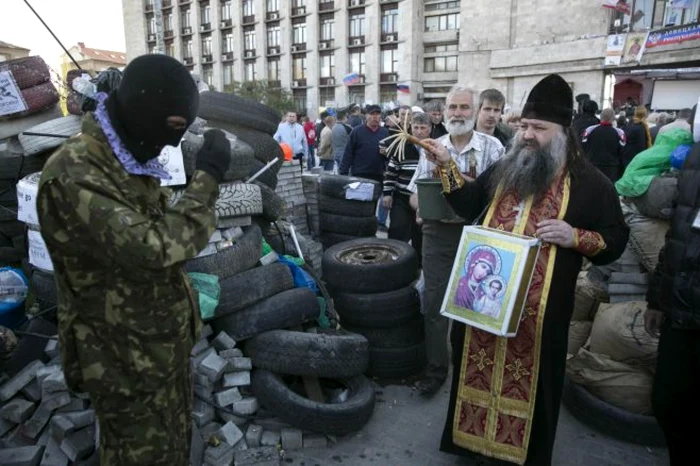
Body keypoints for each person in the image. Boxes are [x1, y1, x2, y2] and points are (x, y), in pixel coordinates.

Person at [36, 54, 230, 465]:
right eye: (173, 128)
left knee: (170, 450)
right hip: (122, 360)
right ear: (144, 114)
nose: (173, 142)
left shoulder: (121, 159)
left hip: (155, 350)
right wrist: (207, 179)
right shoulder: (75, 172)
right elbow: (155, 249)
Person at [425, 74, 628, 465]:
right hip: (483, 312)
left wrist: (574, 237)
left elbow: (615, 241)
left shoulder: (590, 184)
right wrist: (448, 166)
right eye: (525, 126)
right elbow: (470, 205)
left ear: (563, 132)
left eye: (540, 128)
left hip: (538, 323)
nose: (528, 135)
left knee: (533, 391)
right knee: (473, 374)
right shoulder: (507, 166)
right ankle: (471, 446)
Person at [407, 84, 505, 397]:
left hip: (477, 235)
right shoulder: (430, 145)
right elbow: (413, 193)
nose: (458, 113)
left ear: (475, 112)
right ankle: (437, 370)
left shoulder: (493, 149)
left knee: (474, 306)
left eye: (464, 107)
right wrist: (419, 207)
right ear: (445, 112)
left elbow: (499, 198)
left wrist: (456, 175)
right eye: (453, 107)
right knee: (434, 303)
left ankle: (471, 373)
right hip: (437, 233)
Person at [644, 109, 699, 465]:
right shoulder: (694, 160)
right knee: (668, 402)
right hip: (681, 309)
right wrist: (656, 298)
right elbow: (677, 233)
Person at [382, 112, 429, 262]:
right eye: (416, 127)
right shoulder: (401, 146)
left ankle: (417, 267)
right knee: (397, 228)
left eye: (423, 127)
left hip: (424, 199)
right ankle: (393, 262)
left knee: (421, 234)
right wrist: (387, 193)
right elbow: (391, 171)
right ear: (410, 127)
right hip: (402, 197)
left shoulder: (435, 148)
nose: (419, 131)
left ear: (430, 128)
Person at [339, 104, 389, 183]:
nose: (375, 117)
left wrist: (387, 153)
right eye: (372, 114)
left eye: (377, 114)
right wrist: (343, 173)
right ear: (366, 116)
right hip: (360, 174)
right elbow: (348, 153)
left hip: (378, 174)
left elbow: (390, 155)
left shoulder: (385, 132)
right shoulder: (357, 131)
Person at [581, 107, 626, 182]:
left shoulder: (589, 130)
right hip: (611, 168)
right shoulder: (620, 133)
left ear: (601, 117)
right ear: (613, 118)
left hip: (592, 166)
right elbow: (622, 151)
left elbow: (583, 147)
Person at [454, 245, 500, 310]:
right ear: (474, 263)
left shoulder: (483, 294)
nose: (484, 273)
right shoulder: (458, 283)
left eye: (488, 272)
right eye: (483, 267)